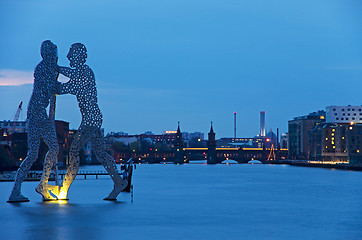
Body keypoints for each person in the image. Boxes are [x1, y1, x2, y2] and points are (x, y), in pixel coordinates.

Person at [55, 43, 127, 200]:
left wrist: (55, 69)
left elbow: (67, 87)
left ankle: (64, 189)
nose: (68, 57)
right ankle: (119, 182)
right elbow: (69, 80)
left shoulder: (86, 72)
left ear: (78, 56)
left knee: (74, 151)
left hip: (91, 120)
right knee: (101, 153)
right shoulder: (81, 73)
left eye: (70, 54)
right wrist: (57, 70)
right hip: (93, 118)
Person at [8, 40, 60, 202]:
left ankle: (21, 189)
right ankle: (40, 185)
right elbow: (52, 88)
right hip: (37, 115)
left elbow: (52, 92)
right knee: (50, 149)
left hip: (38, 114)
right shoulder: (44, 69)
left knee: (36, 153)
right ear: (48, 54)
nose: (56, 58)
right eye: (54, 54)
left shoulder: (48, 69)